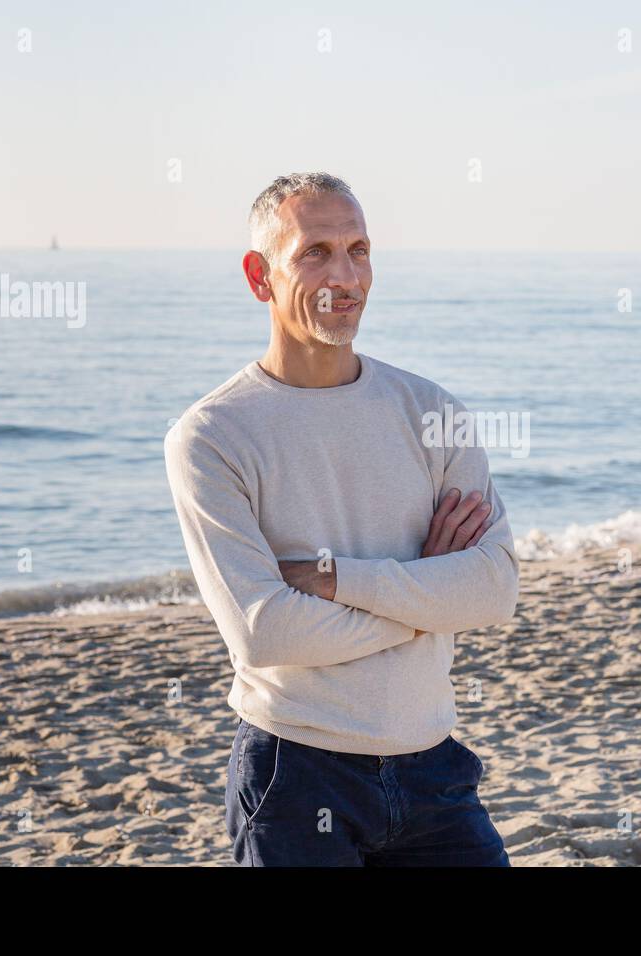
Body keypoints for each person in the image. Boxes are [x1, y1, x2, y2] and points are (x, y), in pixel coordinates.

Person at [164, 172, 520, 866]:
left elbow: (495, 590)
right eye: (316, 252)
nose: (346, 274)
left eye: (359, 249)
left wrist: (332, 578)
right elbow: (265, 632)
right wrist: (428, 594)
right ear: (258, 277)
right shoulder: (212, 437)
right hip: (297, 776)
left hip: (435, 769)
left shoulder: (431, 411)